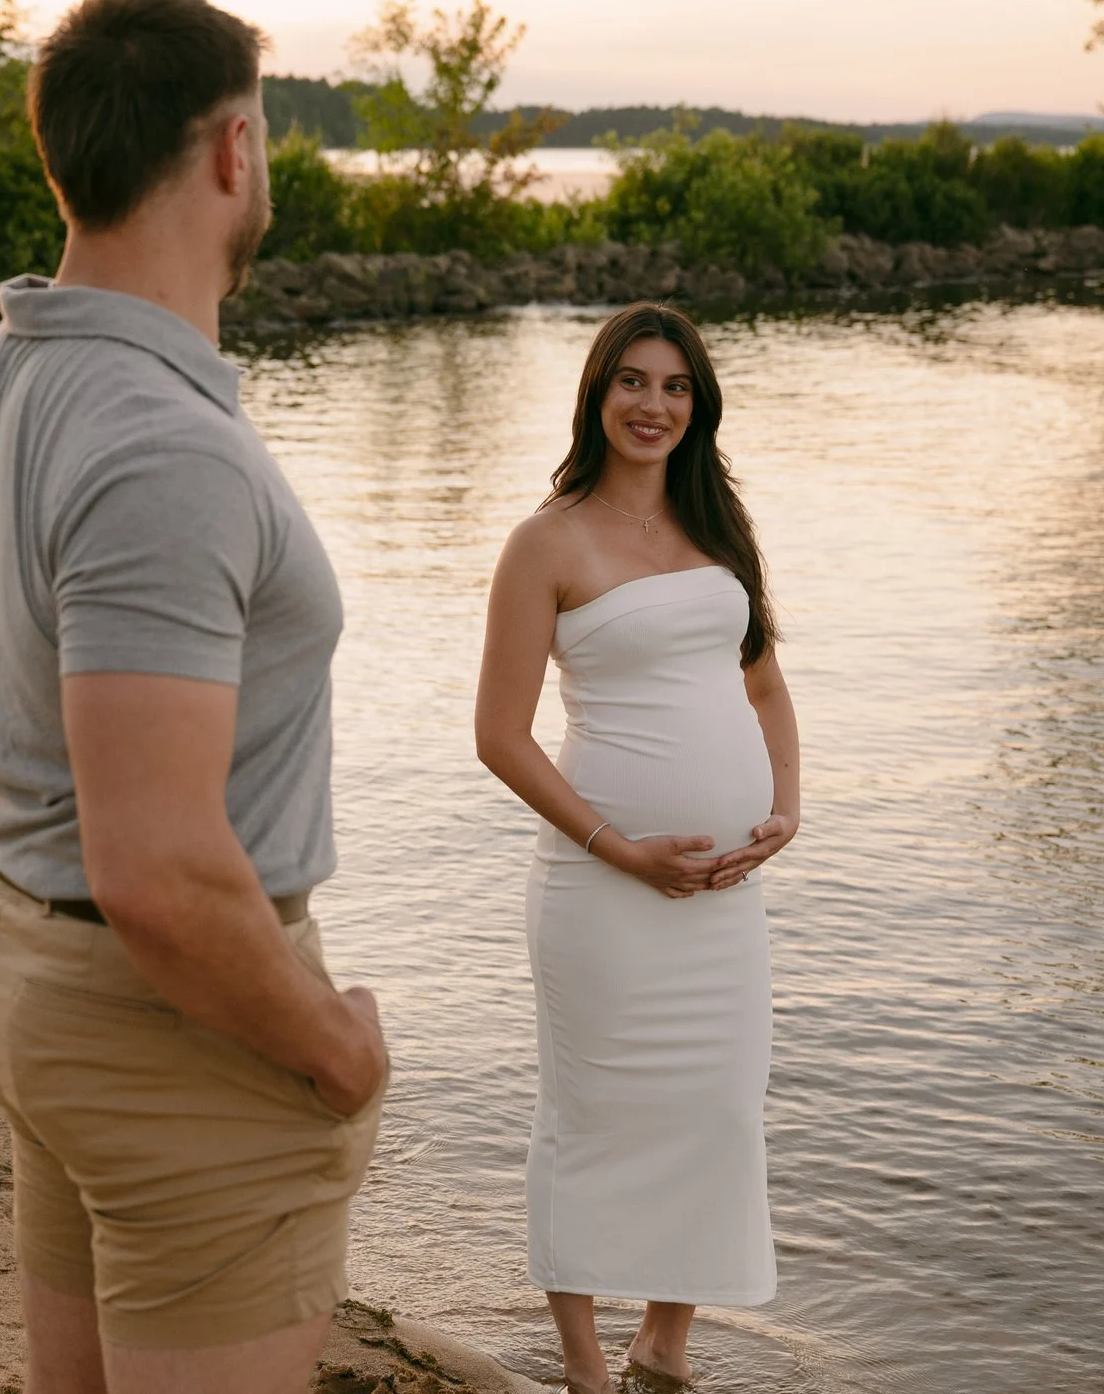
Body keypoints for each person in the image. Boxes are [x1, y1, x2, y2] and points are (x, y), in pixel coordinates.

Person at [0, 0, 389, 1394]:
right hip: (167, 1017)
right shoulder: (161, 446)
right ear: (234, 147)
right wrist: (335, 1047)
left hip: (28, 972)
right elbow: (163, 872)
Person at [473, 303, 800, 1393]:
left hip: (721, 897)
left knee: (713, 1112)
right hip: (600, 893)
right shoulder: (547, 539)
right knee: (591, 1114)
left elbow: (762, 681)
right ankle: (583, 1367)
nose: (651, 404)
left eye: (672, 385)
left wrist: (785, 805)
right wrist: (619, 847)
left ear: (696, 402)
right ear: (596, 394)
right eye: (631, 382)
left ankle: (665, 1340)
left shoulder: (719, 529)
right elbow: (498, 734)